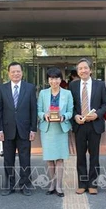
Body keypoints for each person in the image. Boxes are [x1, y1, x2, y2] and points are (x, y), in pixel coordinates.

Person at [0, 62, 37, 196]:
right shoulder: (2, 89)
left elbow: (33, 110)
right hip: (7, 130)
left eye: (18, 71)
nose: (16, 74)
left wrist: (33, 129)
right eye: (13, 72)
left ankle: (25, 185)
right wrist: (0, 130)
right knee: (8, 159)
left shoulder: (30, 88)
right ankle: (9, 185)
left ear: (22, 72)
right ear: (8, 73)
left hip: (25, 129)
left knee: (25, 159)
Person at [69, 58, 106, 195]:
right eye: (80, 68)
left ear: (90, 70)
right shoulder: (73, 85)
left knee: (94, 156)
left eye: (85, 68)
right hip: (79, 125)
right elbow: (71, 106)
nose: (83, 70)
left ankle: (93, 184)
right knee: (80, 156)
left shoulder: (100, 85)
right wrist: (75, 116)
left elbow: (105, 105)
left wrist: (97, 114)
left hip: (94, 125)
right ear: (78, 71)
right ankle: (82, 183)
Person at [38, 67, 74, 198]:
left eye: (57, 78)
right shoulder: (43, 93)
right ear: (48, 80)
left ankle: (59, 186)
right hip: (47, 129)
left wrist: (64, 116)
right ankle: (51, 184)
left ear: (61, 79)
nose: (54, 81)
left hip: (60, 129)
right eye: (51, 78)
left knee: (59, 159)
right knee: (49, 159)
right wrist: (44, 115)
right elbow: (39, 110)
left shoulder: (67, 94)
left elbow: (70, 111)